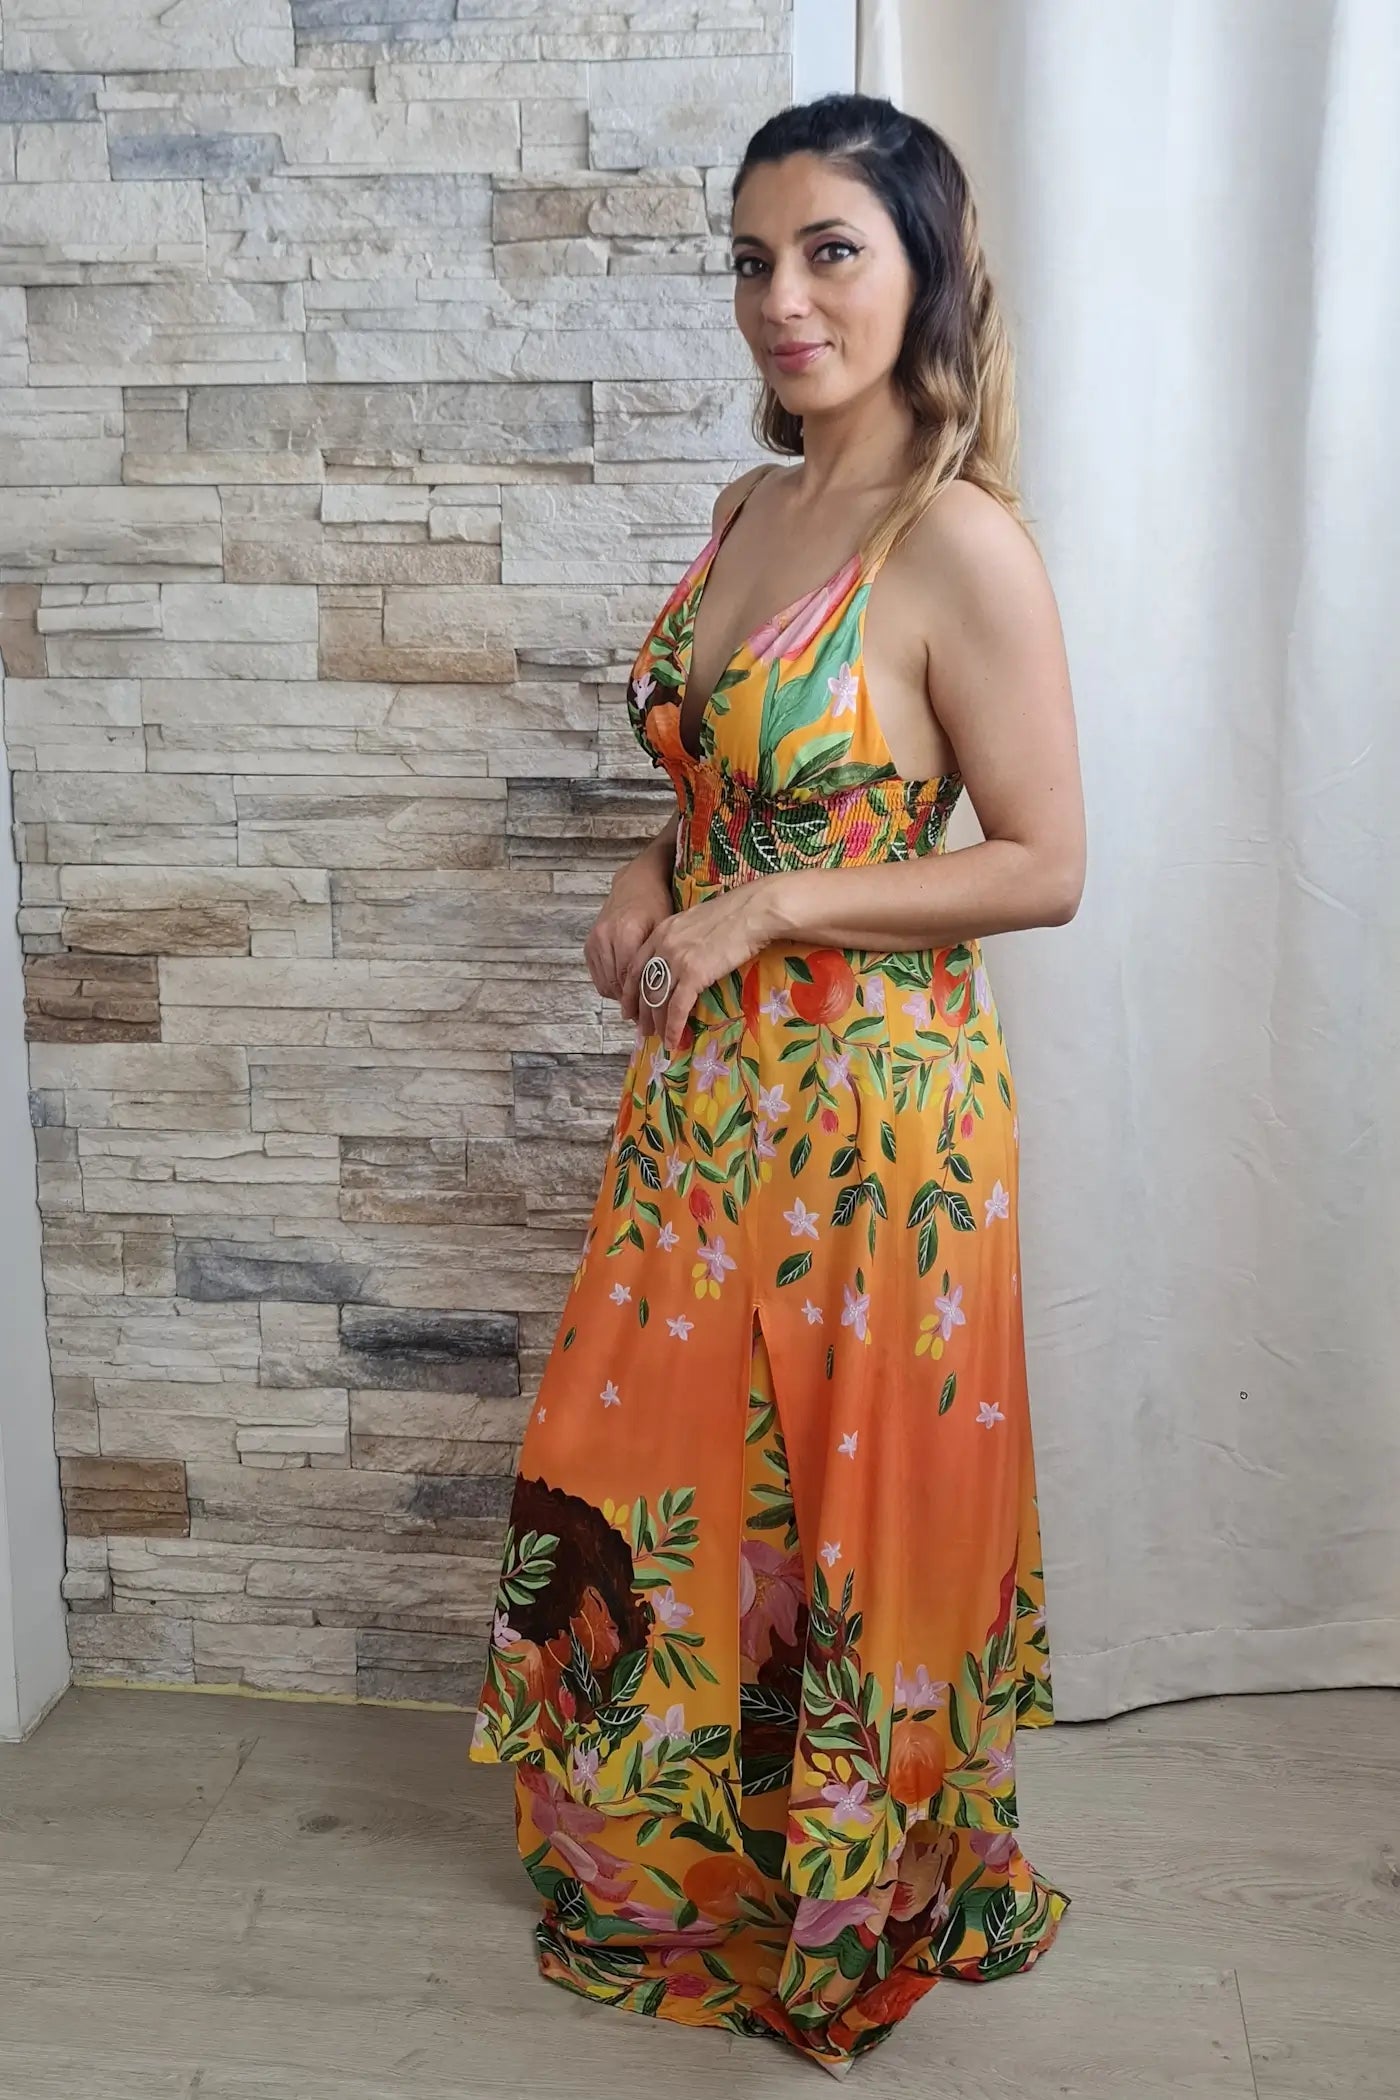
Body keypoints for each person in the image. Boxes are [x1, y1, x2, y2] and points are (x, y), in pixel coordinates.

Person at [469, 91, 1085, 2078]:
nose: (783, 300)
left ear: (924, 270)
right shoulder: (752, 510)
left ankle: (851, 1884)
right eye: (753, 260)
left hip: (881, 1125)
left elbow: (1042, 863)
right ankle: (685, 1848)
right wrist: (651, 873)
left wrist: (774, 904)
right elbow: (727, 772)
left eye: (831, 251)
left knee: (843, 1503)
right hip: (704, 1099)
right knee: (648, 1468)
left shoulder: (955, 539)